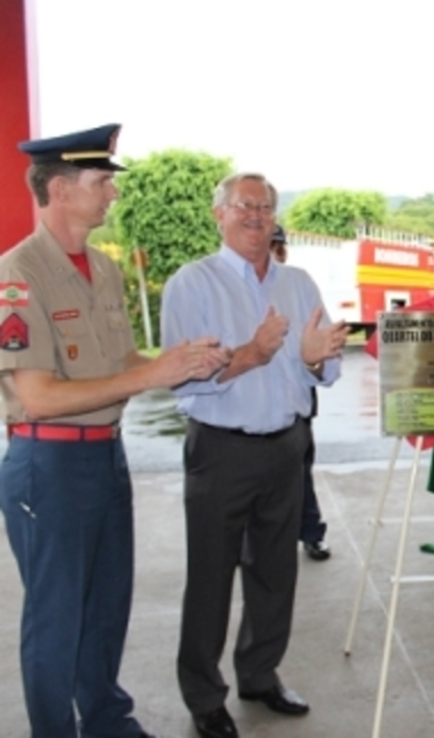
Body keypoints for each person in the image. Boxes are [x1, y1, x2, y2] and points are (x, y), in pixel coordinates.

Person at [0, 124, 229, 738]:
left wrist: (175, 362)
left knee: (105, 607)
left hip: (105, 457)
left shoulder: (101, 269)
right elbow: (37, 396)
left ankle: (107, 722)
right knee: (56, 618)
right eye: (101, 182)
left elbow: (121, 366)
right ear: (59, 189)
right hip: (47, 467)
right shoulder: (18, 276)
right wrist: (151, 374)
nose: (111, 195)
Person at [161, 172, 349, 738]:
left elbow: (328, 371)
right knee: (211, 577)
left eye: (265, 207)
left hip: (286, 446)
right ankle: (203, 695)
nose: (256, 217)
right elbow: (182, 384)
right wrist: (252, 353)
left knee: (275, 571)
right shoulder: (192, 284)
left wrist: (314, 359)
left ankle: (260, 674)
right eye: (244, 206)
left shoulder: (297, 282)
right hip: (221, 449)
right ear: (219, 215)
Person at [270, 225, 331, 561]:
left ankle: (311, 533)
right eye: (272, 247)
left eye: (280, 248)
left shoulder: (298, 287)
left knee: (300, 473)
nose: (276, 254)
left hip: (298, 405)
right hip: (257, 409)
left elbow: (321, 344)